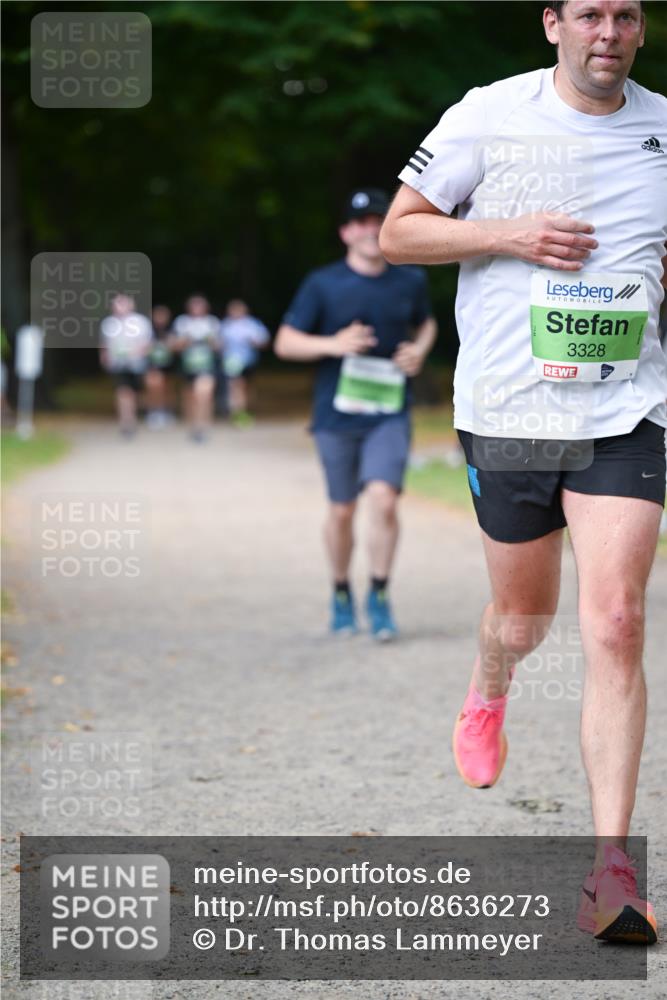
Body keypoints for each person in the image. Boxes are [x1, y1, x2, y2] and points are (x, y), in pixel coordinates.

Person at [379, 0, 665, 944]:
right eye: (588, 14)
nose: (607, 33)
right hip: (509, 412)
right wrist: (508, 234)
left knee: (616, 620)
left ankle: (611, 873)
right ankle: (490, 683)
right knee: (524, 618)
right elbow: (398, 234)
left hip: (625, 409)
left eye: (625, 15)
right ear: (552, 25)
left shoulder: (663, 130)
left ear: (640, 30)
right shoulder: (488, 112)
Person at [275, 188, 437, 640]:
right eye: (361, 222)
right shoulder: (322, 284)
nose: (371, 230)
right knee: (343, 509)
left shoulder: (410, 279)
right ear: (346, 232)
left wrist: (419, 350)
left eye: (379, 221)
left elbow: (426, 322)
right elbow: (285, 342)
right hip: (336, 415)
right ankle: (341, 591)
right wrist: (333, 344)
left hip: (389, 411)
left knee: (383, 499)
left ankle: (379, 595)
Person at [99, 294, 152, 437]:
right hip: (118, 364)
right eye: (117, 304)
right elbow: (104, 343)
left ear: (131, 305)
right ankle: (126, 422)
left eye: (123, 304)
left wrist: (136, 352)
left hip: (137, 364)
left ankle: (134, 417)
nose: (119, 307)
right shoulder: (108, 323)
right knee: (123, 392)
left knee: (134, 394)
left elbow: (147, 343)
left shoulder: (141, 322)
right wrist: (104, 356)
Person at [172, 295, 220, 442]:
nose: (197, 309)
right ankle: (193, 425)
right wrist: (185, 340)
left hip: (207, 366)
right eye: (194, 306)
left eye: (200, 306)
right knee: (191, 398)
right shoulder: (182, 322)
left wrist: (210, 340)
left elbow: (219, 346)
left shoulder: (212, 322)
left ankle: (203, 426)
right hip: (188, 366)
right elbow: (174, 346)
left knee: (203, 394)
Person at [219, 299, 270, 427]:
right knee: (236, 386)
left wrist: (254, 342)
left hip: (249, 361)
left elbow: (264, 342)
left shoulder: (253, 324)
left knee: (247, 388)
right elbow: (218, 344)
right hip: (231, 361)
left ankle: (246, 411)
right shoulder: (225, 325)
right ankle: (237, 414)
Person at [144, 304, 174, 428]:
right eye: (157, 315)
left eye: (163, 315)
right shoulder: (148, 331)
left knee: (166, 388)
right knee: (153, 386)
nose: (160, 318)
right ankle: (154, 411)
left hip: (168, 364)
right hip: (152, 364)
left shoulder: (171, 330)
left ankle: (165, 411)